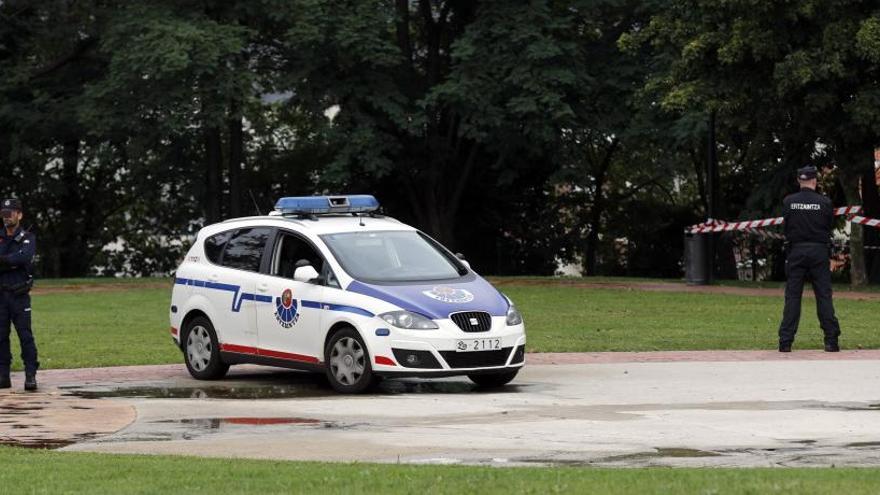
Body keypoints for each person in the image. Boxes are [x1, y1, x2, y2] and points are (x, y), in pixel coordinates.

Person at [777, 166, 841, 353]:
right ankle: (831, 340)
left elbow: (786, 227)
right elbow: (828, 226)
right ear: (815, 181)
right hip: (819, 252)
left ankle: (785, 341)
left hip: (796, 251)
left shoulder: (789, 201)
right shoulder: (825, 202)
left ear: (799, 181)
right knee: (823, 296)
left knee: (793, 297)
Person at [0, 198, 38, 390]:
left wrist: (5, 261)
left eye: (11, 212)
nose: (7, 216)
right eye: (4, 213)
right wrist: (12, 261)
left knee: (25, 335)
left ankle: (30, 374)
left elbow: (25, 257)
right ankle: (3, 376)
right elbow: (17, 259)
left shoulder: (28, 237)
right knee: (0, 336)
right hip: (1, 296)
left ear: (19, 215)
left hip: (19, 294)